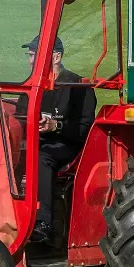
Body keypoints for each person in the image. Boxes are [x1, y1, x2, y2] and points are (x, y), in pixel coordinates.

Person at [31, 38, 97, 244]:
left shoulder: (77, 86)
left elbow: (84, 130)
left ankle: (43, 223)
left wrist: (55, 126)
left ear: (56, 57)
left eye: (35, 55)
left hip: (67, 144)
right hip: (38, 140)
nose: (31, 61)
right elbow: (21, 115)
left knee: (42, 156)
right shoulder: (33, 85)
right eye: (31, 56)